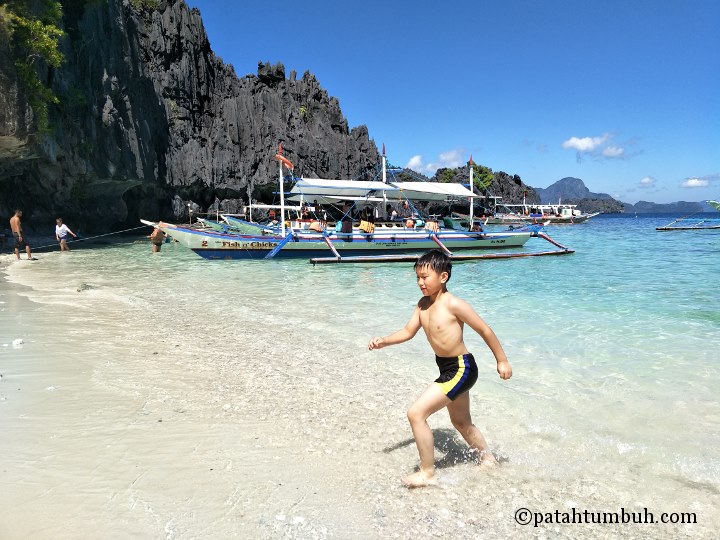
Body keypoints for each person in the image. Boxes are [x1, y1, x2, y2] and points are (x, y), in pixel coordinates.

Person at [368, 249, 512, 488]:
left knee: (416, 413)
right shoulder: (422, 305)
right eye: (417, 277)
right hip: (446, 367)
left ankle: (427, 472)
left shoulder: (454, 304)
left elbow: (485, 330)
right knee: (461, 423)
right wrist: (384, 340)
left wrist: (502, 360)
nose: (420, 282)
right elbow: (407, 332)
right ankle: (488, 459)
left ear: (443, 277)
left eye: (425, 277)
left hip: (461, 368)